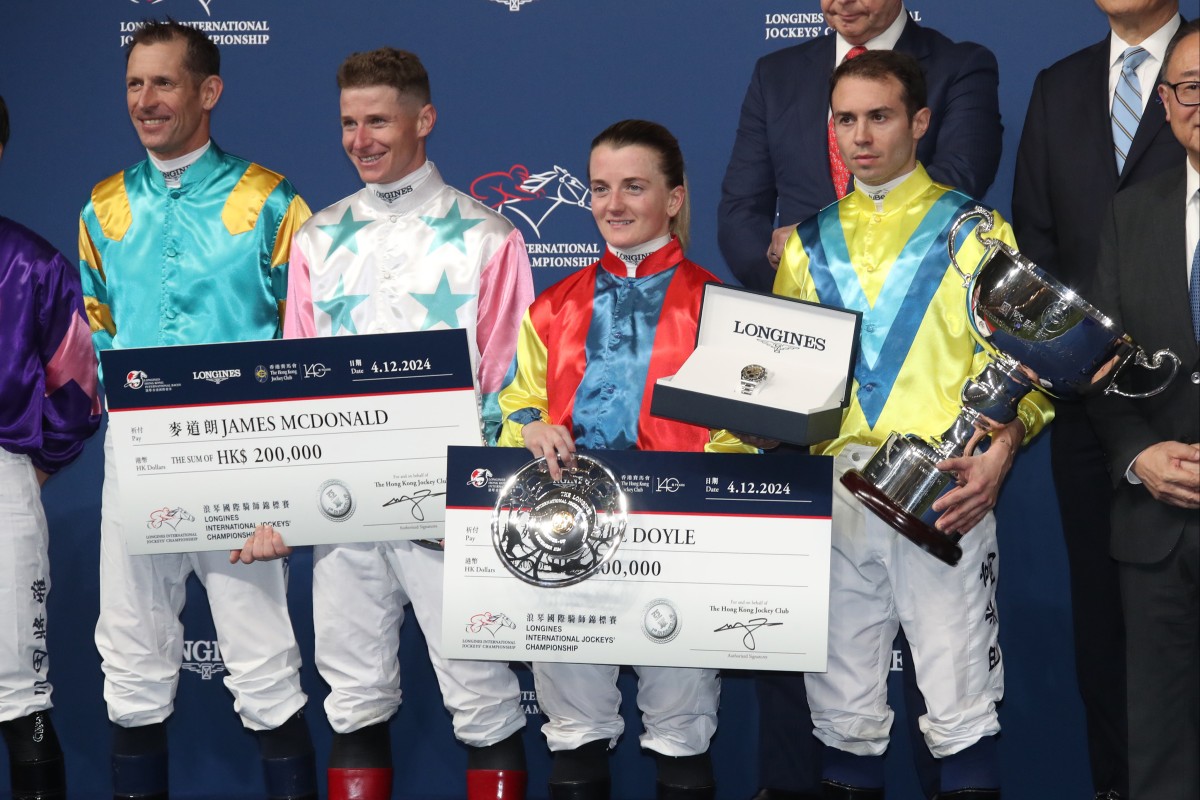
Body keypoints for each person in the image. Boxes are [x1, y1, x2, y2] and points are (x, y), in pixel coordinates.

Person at [234, 47, 535, 800]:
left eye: (378, 120)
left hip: (449, 514)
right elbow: (294, 391)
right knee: (354, 698)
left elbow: (509, 388)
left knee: (484, 701)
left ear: (423, 119)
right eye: (347, 123)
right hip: (344, 514)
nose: (360, 139)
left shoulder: (488, 238)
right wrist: (287, 505)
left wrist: (478, 507)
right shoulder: (316, 239)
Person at [773, 51, 1053, 800]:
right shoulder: (804, 244)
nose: (861, 136)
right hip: (833, 496)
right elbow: (775, 384)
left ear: (920, 122)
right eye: (846, 120)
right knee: (840, 710)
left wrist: (1001, 447)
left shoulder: (975, 231)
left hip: (947, 489)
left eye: (881, 116)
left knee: (961, 701)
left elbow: (1031, 371)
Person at [77, 19, 316, 800]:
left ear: (208, 91)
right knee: (132, 662)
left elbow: (306, 336)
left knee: (264, 663)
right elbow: (98, 330)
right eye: (134, 84)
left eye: (164, 83)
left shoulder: (271, 201)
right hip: (138, 463)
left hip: (244, 463)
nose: (146, 101)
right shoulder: (103, 208)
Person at [497, 119, 755, 800]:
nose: (614, 204)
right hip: (563, 540)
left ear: (672, 199)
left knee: (681, 734)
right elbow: (517, 404)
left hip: (679, 546)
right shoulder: (552, 306)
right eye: (601, 188)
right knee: (575, 736)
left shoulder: (720, 307)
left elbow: (740, 435)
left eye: (634, 187)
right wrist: (529, 428)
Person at [1010, 6, 1183, 796]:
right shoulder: (1058, 86)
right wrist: (1088, 380)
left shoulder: (1196, 62)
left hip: (1185, 403)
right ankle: (1119, 784)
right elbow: (1037, 248)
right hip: (1095, 413)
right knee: (1108, 619)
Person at [1086, 19, 1200, 800]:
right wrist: (1137, 454)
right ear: (1166, 104)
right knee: (1159, 750)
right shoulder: (1131, 213)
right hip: (1157, 525)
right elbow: (1098, 365)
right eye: (1190, 87)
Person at [719, 0, 1002, 294]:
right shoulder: (775, 73)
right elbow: (742, 209)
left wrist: (821, 243)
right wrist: (795, 288)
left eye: (879, 117)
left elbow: (958, 178)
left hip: (911, 301)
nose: (843, 1)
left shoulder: (960, 66)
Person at [0, 94, 102, 800]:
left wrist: (30, 466)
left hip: (2, 482)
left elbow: (78, 383)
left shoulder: (32, 264)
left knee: (18, 694)